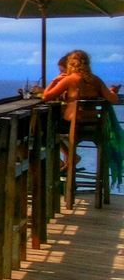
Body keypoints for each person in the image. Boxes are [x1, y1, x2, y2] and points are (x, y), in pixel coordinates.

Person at [42, 50, 123, 187]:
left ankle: (67, 161)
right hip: (94, 125)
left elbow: (46, 96)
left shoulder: (69, 79)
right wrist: (111, 92)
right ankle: (71, 161)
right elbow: (113, 100)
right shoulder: (95, 80)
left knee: (46, 129)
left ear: (71, 64)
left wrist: (55, 80)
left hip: (73, 125)